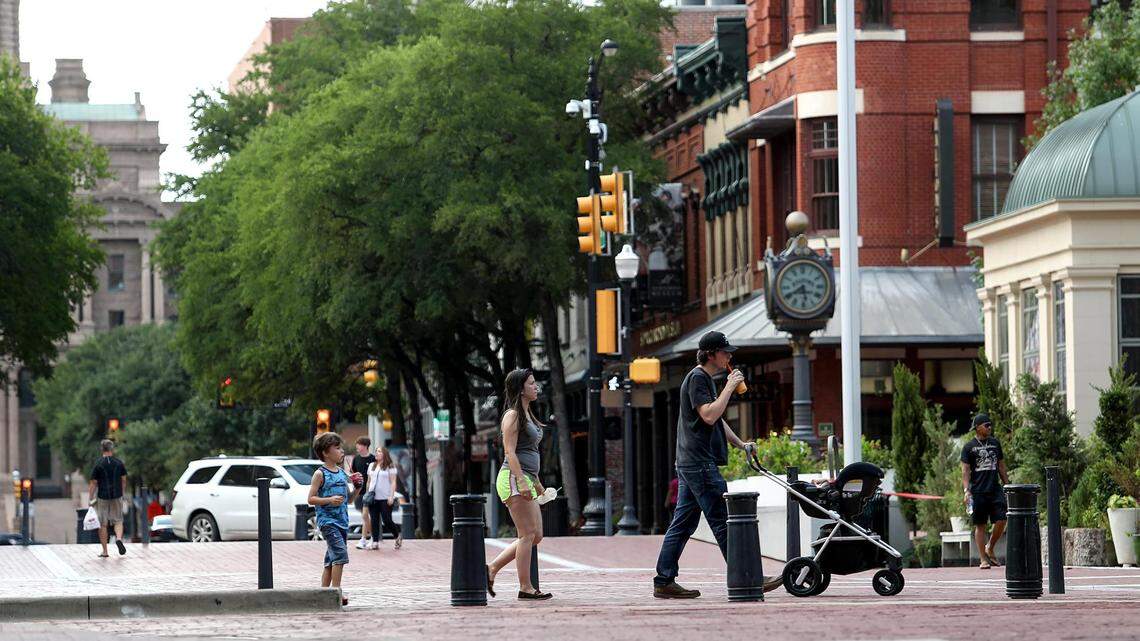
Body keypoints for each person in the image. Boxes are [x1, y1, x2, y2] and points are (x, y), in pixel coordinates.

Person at [653, 331, 759, 599]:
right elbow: (710, 415)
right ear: (711, 354)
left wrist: (740, 444)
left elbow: (717, 418)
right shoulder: (699, 377)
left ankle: (664, 579)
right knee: (725, 521)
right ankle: (748, 576)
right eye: (725, 352)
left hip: (691, 462)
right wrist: (729, 386)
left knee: (683, 524)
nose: (730, 356)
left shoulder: (704, 379)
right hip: (699, 463)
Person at [486, 368, 552, 601]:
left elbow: (529, 453)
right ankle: (525, 587)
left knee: (537, 535)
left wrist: (538, 483)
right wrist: (523, 482)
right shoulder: (512, 415)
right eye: (532, 384)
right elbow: (510, 452)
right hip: (513, 478)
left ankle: (492, 568)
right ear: (520, 389)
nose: (536, 387)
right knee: (527, 534)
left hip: (526, 478)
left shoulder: (527, 414)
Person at [308, 432, 362, 605]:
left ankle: (323, 593)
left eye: (341, 448)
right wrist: (329, 500)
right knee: (340, 554)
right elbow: (310, 499)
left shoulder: (341, 473)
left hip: (342, 522)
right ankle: (335, 593)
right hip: (328, 522)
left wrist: (358, 488)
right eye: (337, 448)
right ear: (325, 452)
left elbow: (350, 499)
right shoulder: (320, 474)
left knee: (331, 560)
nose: (342, 452)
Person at [961, 412, 1010, 570]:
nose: (990, 427)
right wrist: (966, 490)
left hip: (994, 488)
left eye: (990, 425)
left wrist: (1007, 485)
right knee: (980, 525)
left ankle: (990, 546)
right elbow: (965, 471)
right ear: (977, 428)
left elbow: (1001, 465)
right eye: (986, 425)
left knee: (1002, 519)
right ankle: (983, 558)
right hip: (978, 491)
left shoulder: (995, 443)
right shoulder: (969, 447)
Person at [89, 439, 129, 558]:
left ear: (102, 449)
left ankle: (105, 551)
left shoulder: (98, 464)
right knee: (118, 520)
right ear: (112, 449)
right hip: (117, 496)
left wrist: (90, 498)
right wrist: (122, 493)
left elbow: (93, 483)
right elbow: (123, 480)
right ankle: (119, 538)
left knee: (103, 524)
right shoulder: (119, 463)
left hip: (102, 497)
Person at [366, 445, 403, 550]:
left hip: (385, 497)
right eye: (376, 451)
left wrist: (391, 496)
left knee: (387, 520)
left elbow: (393, 482)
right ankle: (375, 541)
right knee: (374, 519)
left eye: (379, 451)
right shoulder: (372, 465)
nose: (377, 453)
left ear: (385, 454)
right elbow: (369, 481)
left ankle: (397, 536)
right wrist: (367, 494)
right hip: (373, 497)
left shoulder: (390, 466)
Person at [351, 436, 376, 550]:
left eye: (359, 444)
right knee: (365, 516)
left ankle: (365, 539)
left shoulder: (373, 459)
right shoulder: (356, 459)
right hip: (359, 492)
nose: (357, 446)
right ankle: (372, 537)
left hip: (370, 492)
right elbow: (353, 474)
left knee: (366, 515)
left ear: (365, 446)